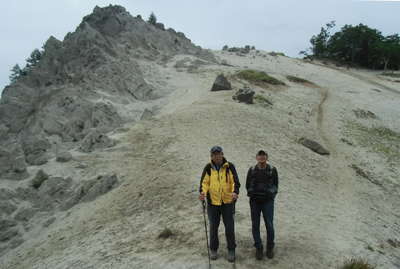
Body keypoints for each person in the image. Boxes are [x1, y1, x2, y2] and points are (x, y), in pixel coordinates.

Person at [199, 146, 240, 263]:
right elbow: (204, 183)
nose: (217, 156)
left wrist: (235, 192)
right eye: (214, 154)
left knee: (229, 227)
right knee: (213, 227)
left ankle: (231, 250)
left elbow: (235, 182)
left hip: (228, 202)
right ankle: (213, 249)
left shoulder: (229, 166)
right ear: (211, 156)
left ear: (222, 154)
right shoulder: (208, 168)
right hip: (213, 203)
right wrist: (202, 192)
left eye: (219, 154)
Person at [246, 150, 279, 260]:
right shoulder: (252, 170)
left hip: (267, 202)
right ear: (256, 157)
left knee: (269, 224)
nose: (261, 158)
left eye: (263, 156)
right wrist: (251, 192)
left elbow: (276, 186)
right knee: (255, 225)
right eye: (260, 156)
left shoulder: (272, 170)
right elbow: (247, 185)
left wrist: (270, 194)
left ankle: (270, 247)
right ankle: (259, 248)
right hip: (255, 201)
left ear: (267, 157)